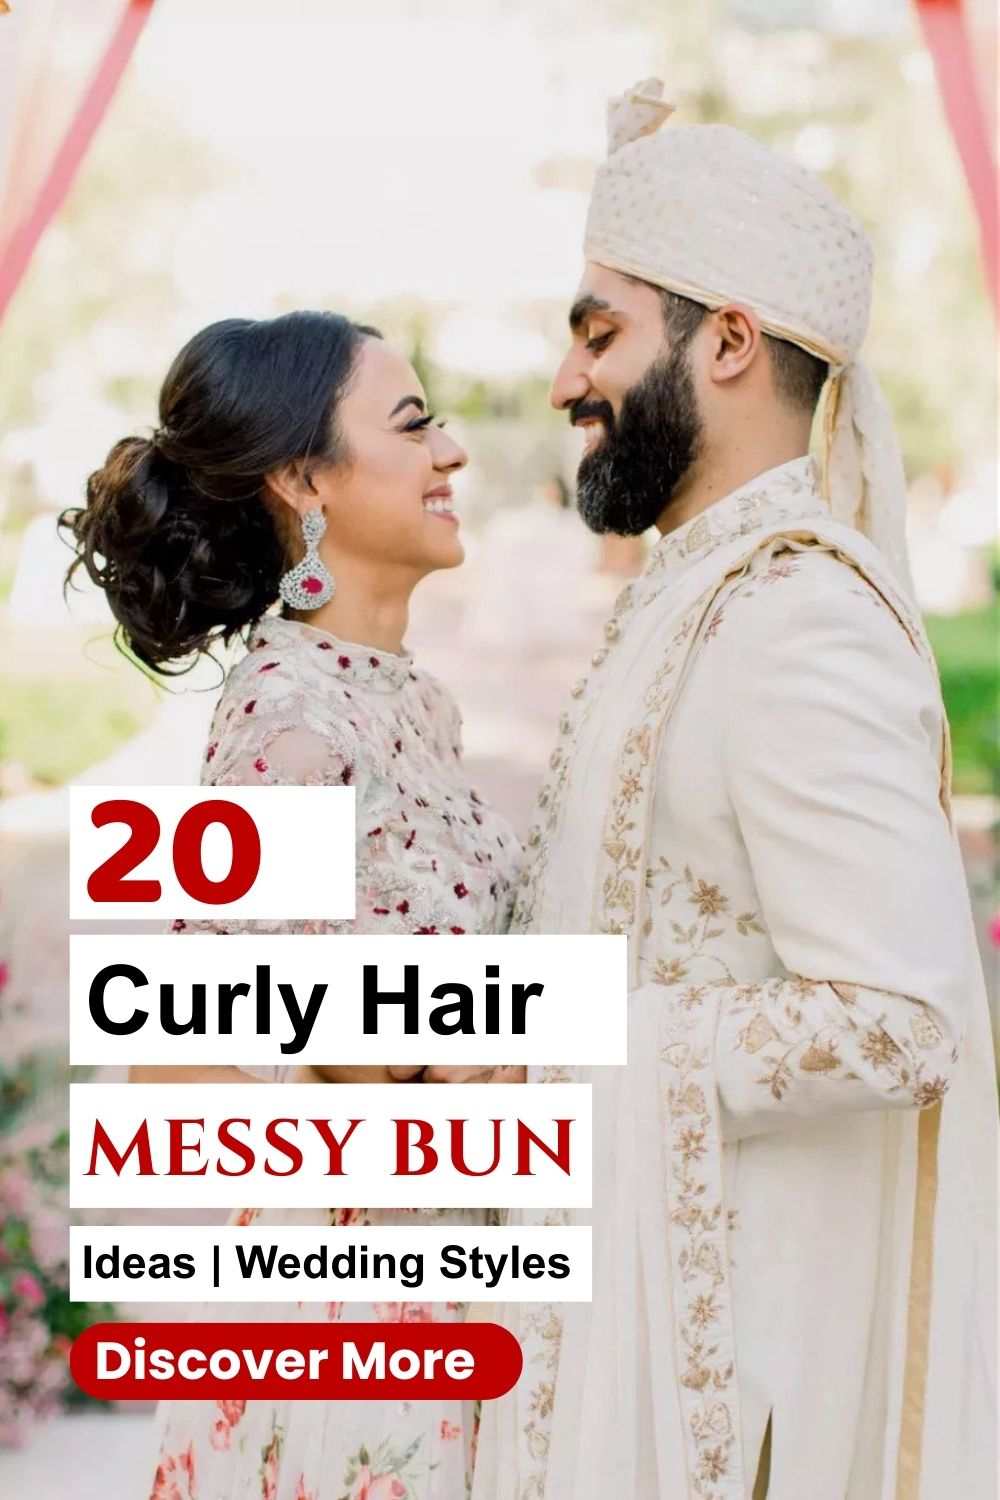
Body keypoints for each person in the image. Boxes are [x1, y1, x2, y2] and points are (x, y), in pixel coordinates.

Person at [471, 81, 997, 1500]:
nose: (567, 379)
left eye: (599, 331)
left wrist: (591, 1051)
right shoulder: (687, 592)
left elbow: (904, 1020)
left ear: (731, 343)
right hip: (601, 1353)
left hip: (734, 1402)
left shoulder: (797, 619)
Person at [60, 310, 522, 1500]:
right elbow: (179, 1061)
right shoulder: (289, 718)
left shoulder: (405, 701)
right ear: (302, 477)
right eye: (413, 426)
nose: (450, 454)